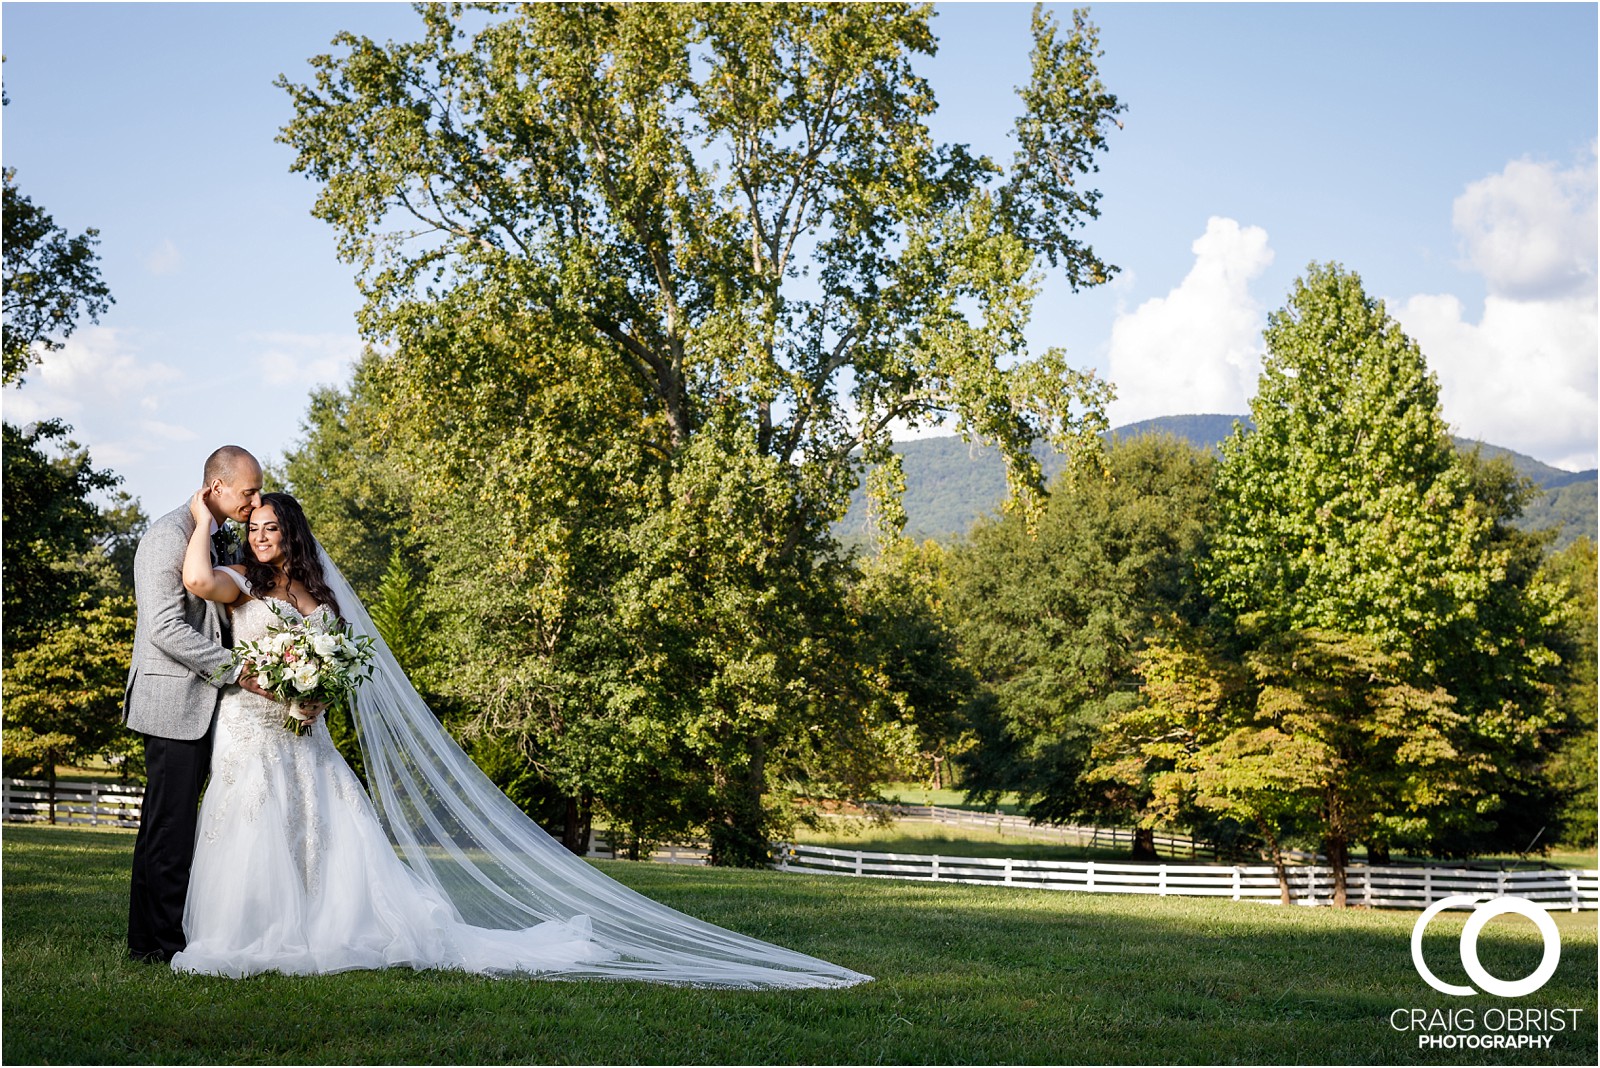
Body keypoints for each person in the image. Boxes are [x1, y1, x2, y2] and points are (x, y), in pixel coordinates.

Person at [170, 490, 870, 988]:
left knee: (323, 832)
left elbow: (340, 666)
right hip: (251, 731)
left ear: (292, 531)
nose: (261, 536)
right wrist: (204, 516)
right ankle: (250, 932)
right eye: (254, 527)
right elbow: (196, 576)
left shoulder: (320, 601)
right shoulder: (240, 584)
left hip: (306, 734)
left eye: (270, 527)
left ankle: (323, 927)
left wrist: (316, 696)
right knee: (255, 826)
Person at [124, 445, 286, 963]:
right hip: (172, 698)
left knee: (164, 825)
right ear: (216, 488)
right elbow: (165, 627)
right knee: (170, 828)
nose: (255, 500)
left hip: (200, 700)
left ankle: (146, 941)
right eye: (249, 491)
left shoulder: (213, 538)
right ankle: (167, 945)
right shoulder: (166, 536)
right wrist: (237, 669)